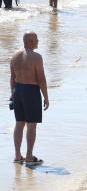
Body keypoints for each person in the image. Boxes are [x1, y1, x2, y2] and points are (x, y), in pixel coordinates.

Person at [10, 31, 49, 167]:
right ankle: (29, 157)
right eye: (36, 39)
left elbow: (12, 78)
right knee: (31, 125)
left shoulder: (15, 55)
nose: (38, 41)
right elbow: (41, 79)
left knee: (19, 123)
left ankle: (17, 155)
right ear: (31, 41)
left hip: (17, 91)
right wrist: (46, 97)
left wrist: (12, 95)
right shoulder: (36, 57)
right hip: (31, 91)